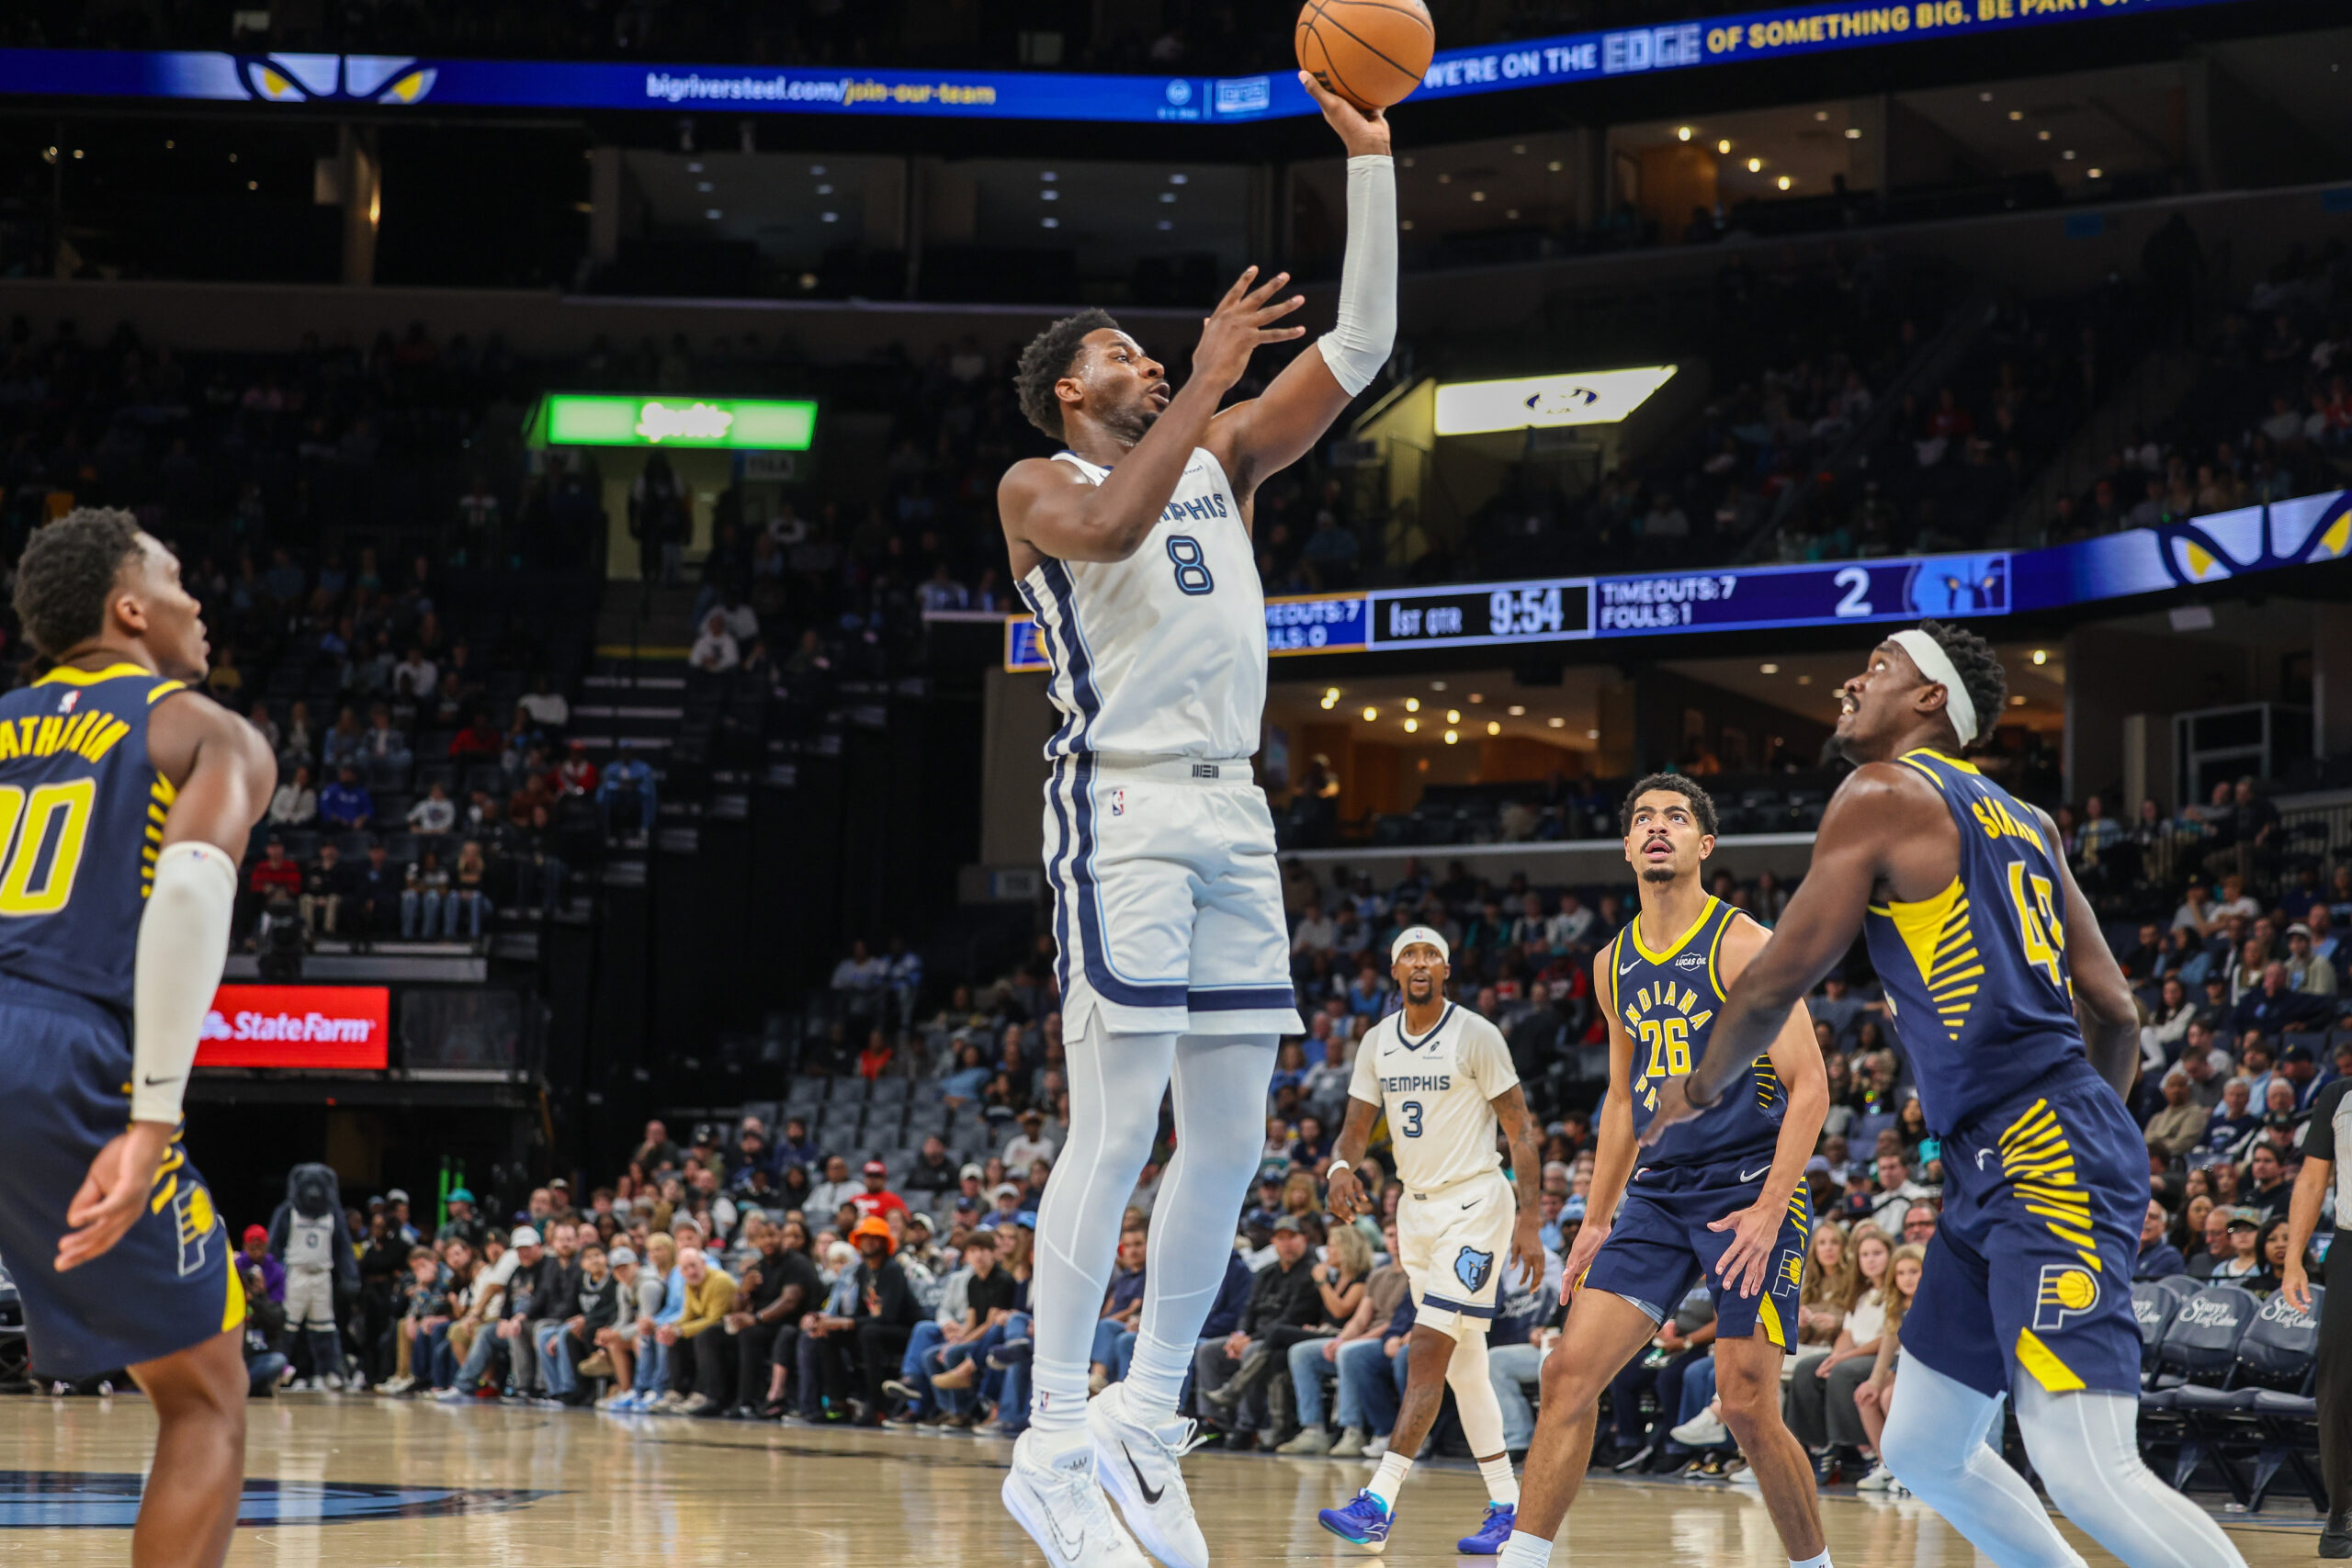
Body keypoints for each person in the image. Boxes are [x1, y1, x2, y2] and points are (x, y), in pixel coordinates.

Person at [989, 69, 1396, 1568]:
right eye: (1122, 355)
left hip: (1235, 815)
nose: (1149, 360)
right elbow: (1111, 525)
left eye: (1152, 351)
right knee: (1115, 1125)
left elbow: (1364, 342)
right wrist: (1213, 376)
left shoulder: (1219, 455)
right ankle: (1047, 1432)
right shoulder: (1041, 483)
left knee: (1228, 1137)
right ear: (1070, 394)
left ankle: (1147, 1419)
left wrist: (1371, 161)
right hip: (1124, 811)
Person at [1635, 622, 2245, 1568]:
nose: (1850, 681)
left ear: (1930, 701)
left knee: (2084, 1466)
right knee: (1920, 1442)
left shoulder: (1880, 791)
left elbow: (1772, 981)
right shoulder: (2026, 821)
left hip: (2038, 1152)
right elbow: (2116, 1014)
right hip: (2006, 1156)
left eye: (1877, 666)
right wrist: (2093, 1136)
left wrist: (1698, 1086)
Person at [0, 510, 276, 1568]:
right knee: (204, 1392)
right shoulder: (201, 731)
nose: (196, 599)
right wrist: (152, 1115)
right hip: (60, 1046)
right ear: (129, 608)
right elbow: (191, 897)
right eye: (175, 576)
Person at [1493, 777, 1830, 1568]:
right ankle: (1522, 1560)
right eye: (1642, 818)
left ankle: (1815, 1565)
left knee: (1746, 1402)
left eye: (1675, 818)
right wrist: (1599, 1216)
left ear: (1704, 846)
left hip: (1749, 1183)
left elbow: (1811, 1086)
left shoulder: (1745, 942)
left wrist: (1771, 1208)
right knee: (1567, 1374)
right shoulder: (1613, 962)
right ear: (1625, 845)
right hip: (1657, 1193)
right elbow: (1619, 1100)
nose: (1657, 828)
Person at [1313, 927, 1543, 1553]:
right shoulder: (1377, 1042)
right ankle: (1508, 1507)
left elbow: (1520, 1129)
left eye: (1430, 955)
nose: (1420, 963)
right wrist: (1340, 1168)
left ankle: (1378, 1499)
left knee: (1427, 1349)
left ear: (1446, 969)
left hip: (1474, 1203)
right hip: (1415, 1213)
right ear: (1394, 971)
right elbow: (1355, 1130)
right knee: (1466, 1369)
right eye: (1409, 955)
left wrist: (1528, 1219)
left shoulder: (1477, 1034)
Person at [2281, 1066, 2352, 1554]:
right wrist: (2293, 1260)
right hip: (2350, 1248)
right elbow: (2311, 1181)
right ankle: (2340, 1511)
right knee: (2338, 1385)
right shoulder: (2339, 1095)